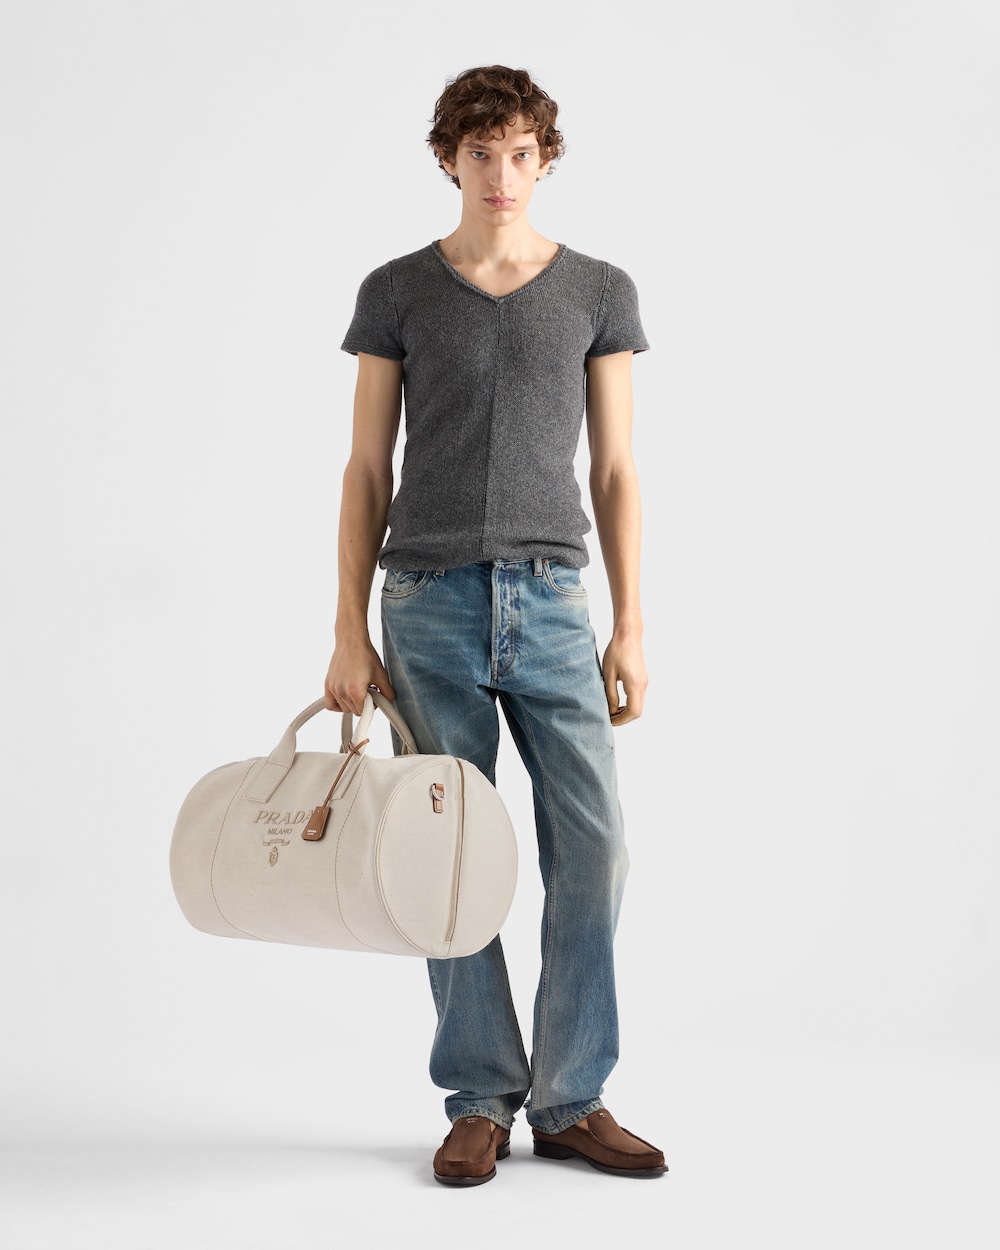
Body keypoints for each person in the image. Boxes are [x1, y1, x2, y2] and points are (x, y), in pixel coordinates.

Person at [323, 64, 666, 1185]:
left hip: (554, 600)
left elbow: (615, 470)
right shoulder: (397, 291)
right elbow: (366, 467)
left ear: (546, 159)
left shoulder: (598, 290)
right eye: (480, 153)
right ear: (448, 160)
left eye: (520, 153)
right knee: (444, 855)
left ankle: (571, 1097)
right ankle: (479, 1094)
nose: (501, 175)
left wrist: (630, 623)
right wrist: (345, 628)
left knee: (594, 848)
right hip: (425, 603)